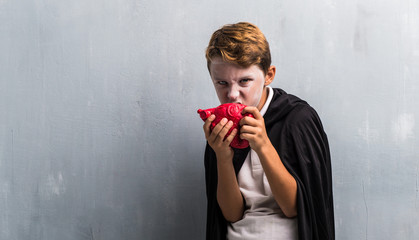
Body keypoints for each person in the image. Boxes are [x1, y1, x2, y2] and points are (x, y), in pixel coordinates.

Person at [201, 22, 334, 240]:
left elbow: (296, 208)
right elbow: (231, 215)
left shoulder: (298, 120)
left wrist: (263, 145)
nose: (232, 94)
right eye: (221, 83)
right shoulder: (220, 126)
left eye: (244, 81)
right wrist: (223, 158)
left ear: (269, 75)